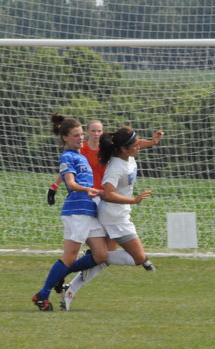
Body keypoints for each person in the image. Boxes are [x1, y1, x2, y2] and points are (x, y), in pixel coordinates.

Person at [61, 126, 158, 311]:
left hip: (118, 214)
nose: (138, 146)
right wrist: (133, 200)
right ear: (124, 149)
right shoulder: (116, 167)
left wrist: (152, 142)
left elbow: (137, 144)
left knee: (103, 260)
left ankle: (71, 289)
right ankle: (86, 259)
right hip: (114, 217)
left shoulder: (127, 155)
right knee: (138, 258)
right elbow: (107, 194)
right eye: (135, 145)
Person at [32, 114, 110, 311]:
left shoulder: (80, 156)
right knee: (69, 258)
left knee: (101, 255)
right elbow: (71, 184)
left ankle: (60, 275)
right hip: (76, 211)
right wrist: (88, 190)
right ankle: (42, 295)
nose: (81, 138)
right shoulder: (67, 156)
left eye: (82, 134)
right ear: (65, 137)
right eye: (76, 135)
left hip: (88, 211)